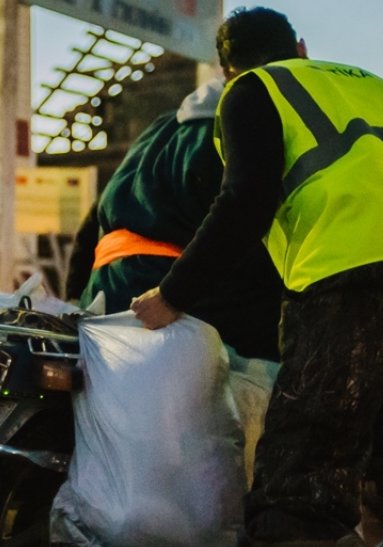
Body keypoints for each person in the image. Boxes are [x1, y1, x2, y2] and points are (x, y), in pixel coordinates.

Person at [131, 7, 383, 547]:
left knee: (303, 465)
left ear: (226, 67)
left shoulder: (252, 90)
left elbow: (244, 201)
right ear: (299, 45)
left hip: (355, 277)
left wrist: (173, 295)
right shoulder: (372, 87)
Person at [66, 78, 284, 361]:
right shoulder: (240, 132)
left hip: (106, 297)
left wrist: (73, 297)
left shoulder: (158, 130)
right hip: (182, 310)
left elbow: (91, 225)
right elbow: (243, 218)